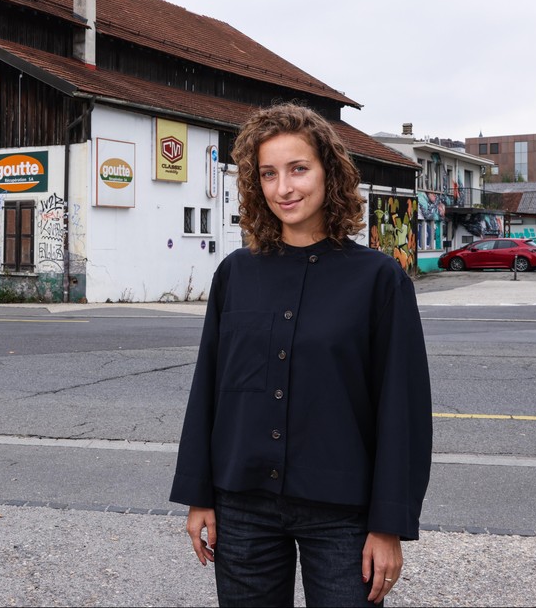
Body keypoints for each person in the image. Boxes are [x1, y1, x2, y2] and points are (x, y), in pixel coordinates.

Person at [170, 103, 432, 607]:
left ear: (328, 173)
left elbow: (402, 409)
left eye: (298, 169)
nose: (283, 188)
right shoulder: (236, 274)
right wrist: (199, 494)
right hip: (242, 505)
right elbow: (209, 390)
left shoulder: (379, 280)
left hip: (343, 512)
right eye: (268, 174)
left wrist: (389, 525)